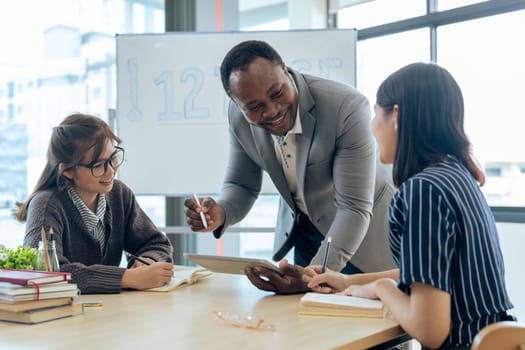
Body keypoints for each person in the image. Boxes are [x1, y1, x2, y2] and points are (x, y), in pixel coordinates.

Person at [305, 62, 514, 349]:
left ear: (396, 116)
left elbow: (431, 330)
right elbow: (427, 274)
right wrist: (349, 282)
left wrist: (381, 288)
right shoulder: (457, 177)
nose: (372, 126)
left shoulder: (422, 190)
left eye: (376, 112)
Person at [184, 40, 396, 293]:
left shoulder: (345, 107)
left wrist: (312, 277)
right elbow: (241, 184)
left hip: (362, 238)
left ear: (285, 70)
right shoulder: (238, 116)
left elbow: (353, 207)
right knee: (309, 324)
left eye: (277, 93)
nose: (272, 111)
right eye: (254, 107)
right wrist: (220, 212)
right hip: (306, 232)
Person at [15, 113, 174, 294]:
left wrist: (148, 261)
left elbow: (157, 243)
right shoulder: (46, 205)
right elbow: (46, 271)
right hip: (64, 316)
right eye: (98, 165)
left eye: (113, 158)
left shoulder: (119, 194)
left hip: (111, 311)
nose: (110, 171)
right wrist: (128, 278)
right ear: (67, 170)